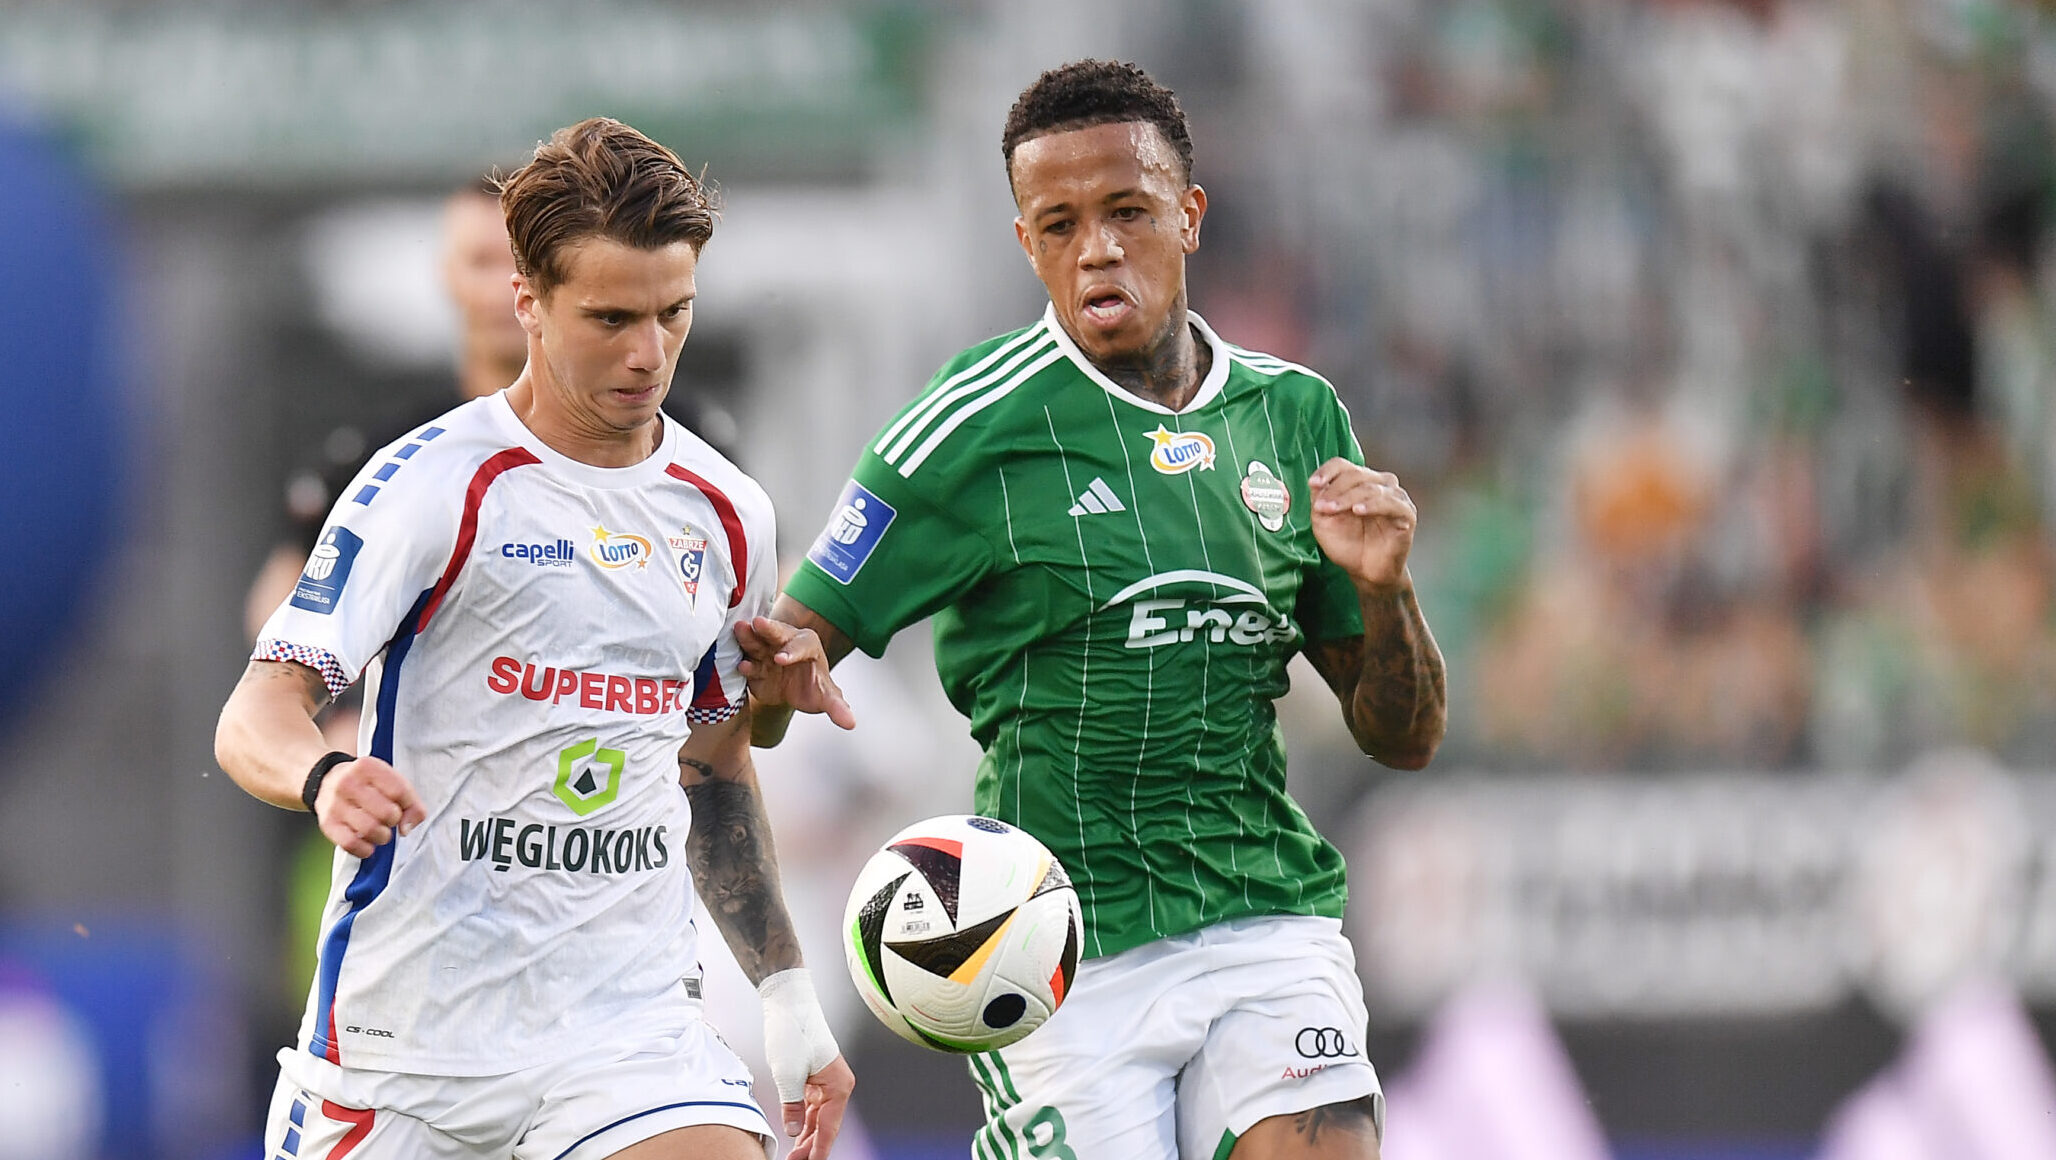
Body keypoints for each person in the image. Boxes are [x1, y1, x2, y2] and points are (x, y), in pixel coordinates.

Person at [744, 61, 1446, 1160]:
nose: (1097, 249)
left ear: (1190, 215)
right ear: (1027, 243)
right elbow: (774, 673)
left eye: (1127, 211)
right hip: (1052, 945)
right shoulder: (965, 432)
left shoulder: (1294, 415)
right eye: (1060, 224)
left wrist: (1384, 587)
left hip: (1265, 914)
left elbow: (1402, 736)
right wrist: (777, 687)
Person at [216, 117, 856, 1160]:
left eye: (674, 313)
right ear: (529, 300)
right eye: (611, 317)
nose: (648, 353)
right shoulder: (430, 484)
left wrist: (786, 997)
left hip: (626, 1032)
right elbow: (257, 709)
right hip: (409, 1052)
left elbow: (712, 764)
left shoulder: (729, 511)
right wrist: (325, 776)